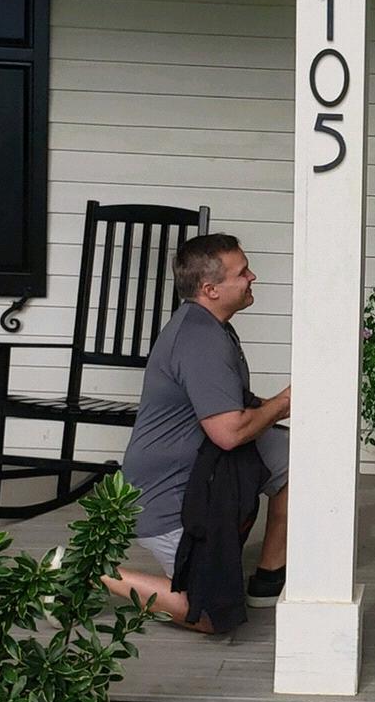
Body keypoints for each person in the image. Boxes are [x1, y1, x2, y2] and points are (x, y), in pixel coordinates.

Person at [106, 234, 290, 631]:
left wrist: (274, 410)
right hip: (169, 498)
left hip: (203, 469)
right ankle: (99, 573)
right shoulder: (199, 338)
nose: (252, 277)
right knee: (209, 615)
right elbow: (228, 432)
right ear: (210, 289)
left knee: (297, 454)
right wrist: (287, 401)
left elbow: (235, 403)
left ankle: (270, 577)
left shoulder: (214, 326)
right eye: (242, 273)